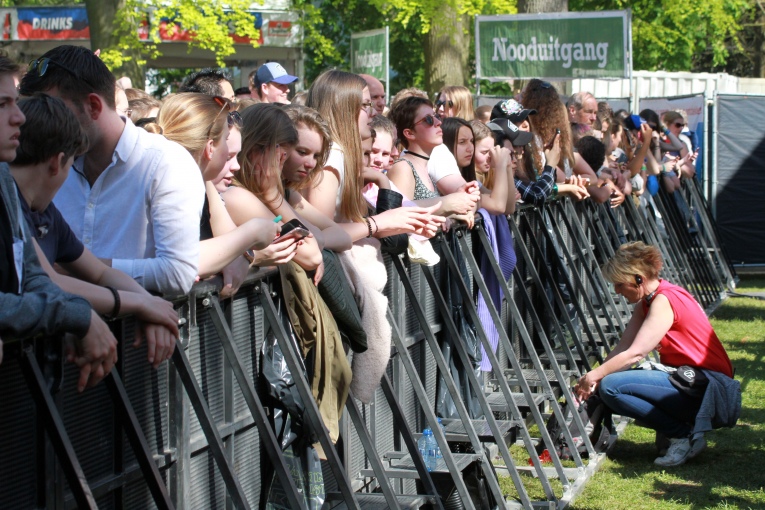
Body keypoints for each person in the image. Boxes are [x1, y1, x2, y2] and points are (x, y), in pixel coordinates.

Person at [19, 45, 204, 296]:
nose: (42, 123)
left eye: (54, 111)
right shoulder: (45, 163)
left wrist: (71, 271)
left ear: (93, 106)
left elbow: (177, 273)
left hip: (132, 333)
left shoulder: (166, 163)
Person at [11, 93, 179, 368]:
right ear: (57, 162)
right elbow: (48, 281)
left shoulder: (46, 213)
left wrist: (152, 305)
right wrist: (135, 304)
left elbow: (99, 272)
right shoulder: (10, 207)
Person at [0, 55, 117, 392]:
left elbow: (32, 275)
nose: (18, 117)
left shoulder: (3, 183)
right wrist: (78, 316)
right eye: (3, 103)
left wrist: (79, 313)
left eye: (16, 103)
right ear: (57, 163)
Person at [575, 242, 736, 467]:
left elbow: (636, 353)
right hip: (692, 382)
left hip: (711, 389)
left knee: (612, 386)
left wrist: (595, 377)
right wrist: (595, 376)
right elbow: (623, 346)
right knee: (608, 384)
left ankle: (683, 435)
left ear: (638, 278)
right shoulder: (651, 300)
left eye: (620, 284)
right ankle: (683, 433)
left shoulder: (663, 300)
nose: (617, 291)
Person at [145, 93, 280, 296]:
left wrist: (241, 255)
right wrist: (252, 234)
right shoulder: (180, 178)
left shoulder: (187, 176)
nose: (234, 162)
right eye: (226, 140)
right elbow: (182, 261)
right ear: (210, 148)